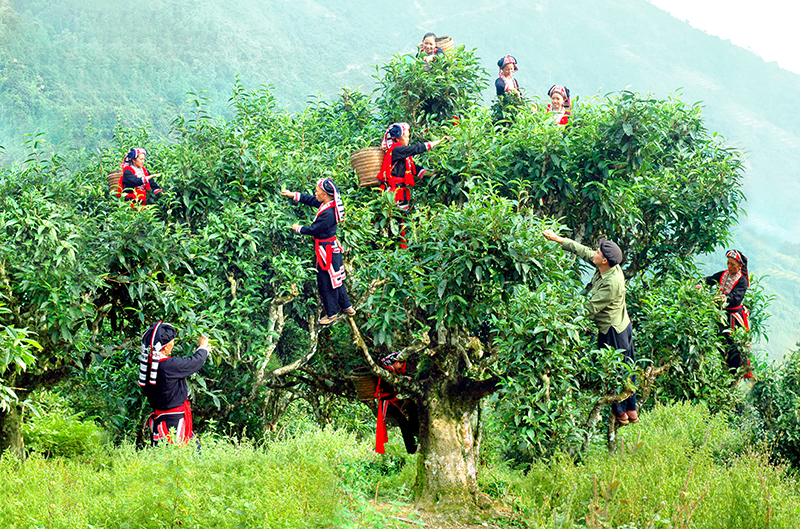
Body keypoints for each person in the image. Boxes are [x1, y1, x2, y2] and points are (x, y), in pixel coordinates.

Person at [542, 229, 638, 425]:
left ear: (604, 261)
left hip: (612, 330)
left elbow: (590, 308)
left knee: (614, 371)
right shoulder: (607, 267)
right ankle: (632, 410)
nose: (594, 253)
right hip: (622, 324)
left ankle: (622, 412)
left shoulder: (612, 282)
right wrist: (558, 239)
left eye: (598, 253)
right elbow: (583, 250)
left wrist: (562, 319)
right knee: (628, 368)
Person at [281, 178, 354, 325]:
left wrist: (298, 228)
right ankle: (347, 307)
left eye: (317, 191)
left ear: (325, 194)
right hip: (330, 246)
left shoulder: (328, 213)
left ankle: (332, 313)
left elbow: (314, 229)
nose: (315, 193)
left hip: (326, 250)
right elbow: (311, 200)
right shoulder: (328, 204)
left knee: (326, 281)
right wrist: (293, 194)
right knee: (336, 278)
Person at [377, 122, 448, 248]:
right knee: (396, 220)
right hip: (394, 193)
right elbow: (416, 149)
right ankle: (397, 248)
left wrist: (431, 173)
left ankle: (398, 246)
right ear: (397, 138)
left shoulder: (403, 155)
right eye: (406, 136)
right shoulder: (396, 150)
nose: (408, 139)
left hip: (401, 192)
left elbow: (414, 168)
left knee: (401, 219)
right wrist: (439, 142)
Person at [139, 321, 209, 446]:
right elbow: (195, 362)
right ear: (165, 347)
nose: (174, 344)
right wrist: (203, 347)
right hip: (174, 421)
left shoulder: (148, 365)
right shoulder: (168, 366)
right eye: (172, 341)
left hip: (161, 418)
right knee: (183, 455)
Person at [704, 249, 752, 377]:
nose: (729, 266)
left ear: (740, 266)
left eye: (732, 264)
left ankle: (733, 372)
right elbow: (710, 279)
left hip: (734, 317)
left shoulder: (741, 281)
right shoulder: (724, 274)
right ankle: (723, 368)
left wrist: (722, 298)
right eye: (728, 263)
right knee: (720, 341)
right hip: (722, 315)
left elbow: (735, 297)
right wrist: (700, 284)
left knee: (733, 345)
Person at [374, 351, 419, 454]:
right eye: (401, 364)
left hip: (392, 400)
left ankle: (415, 429)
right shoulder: (387, 371)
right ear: (397, 362)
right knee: (402, 421)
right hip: (386, 402)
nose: (402, 367)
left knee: (412, 405)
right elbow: (394, 382)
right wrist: (404, 379)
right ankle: (411, 448)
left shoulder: (391, 370)